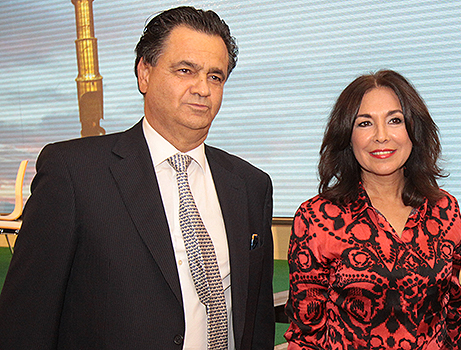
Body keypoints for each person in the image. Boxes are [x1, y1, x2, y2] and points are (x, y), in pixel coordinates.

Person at [0, 6, 275, 349]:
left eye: (215, 76)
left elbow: (258, 322)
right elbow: (25, 321)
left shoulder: (250, 185)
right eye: (185, 70)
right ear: (145, 72)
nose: (203, 88)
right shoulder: (73, 173)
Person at [284, 69, 461, 349]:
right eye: (365, 123)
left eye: (395, 120)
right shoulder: (315, 218)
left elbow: (453, 314)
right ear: (347, 135)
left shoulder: (445, 210)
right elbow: (306, 336)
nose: (381, 136)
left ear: (414, 130)